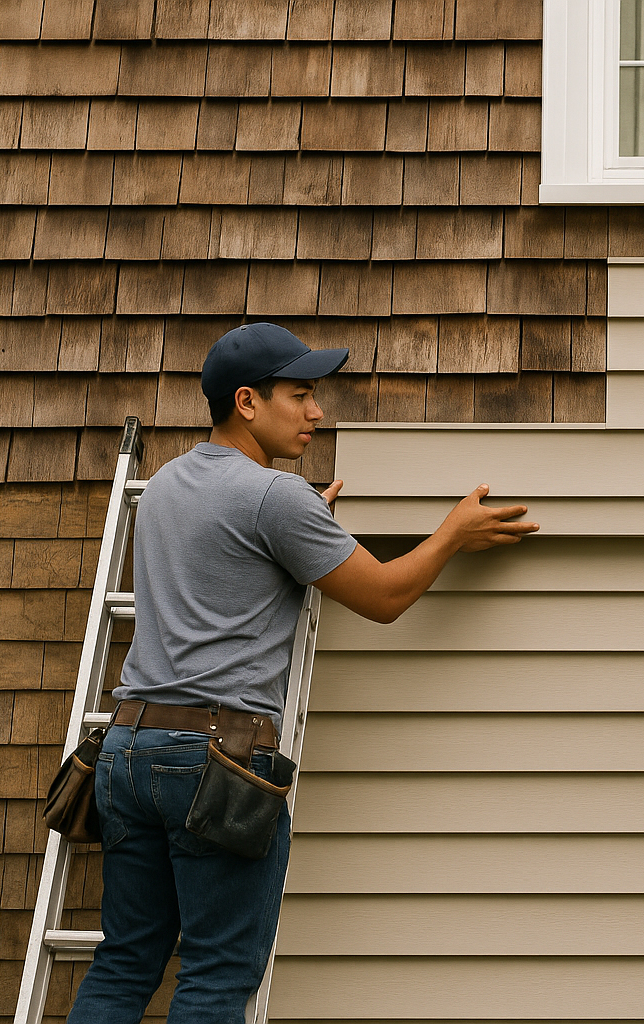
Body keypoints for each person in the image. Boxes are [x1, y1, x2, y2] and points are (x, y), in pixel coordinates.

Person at [68, 322, 539, 1023]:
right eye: (302, 394)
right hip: (215, 761)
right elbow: (383, 597)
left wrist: (300, 534)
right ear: (249, 401)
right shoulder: (274, 499)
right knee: (217, 973)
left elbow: (223, 570)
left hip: (128, 748)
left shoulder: (165, 485)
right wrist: (452, 535)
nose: (317, 411)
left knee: (127, 959)